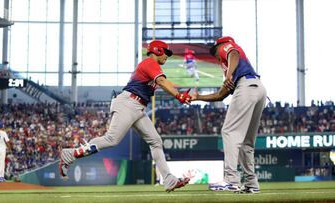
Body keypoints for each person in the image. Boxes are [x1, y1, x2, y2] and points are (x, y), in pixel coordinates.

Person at [60, 40, 191, 192]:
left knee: (156, 141)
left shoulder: (151, 66)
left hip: (137, 107)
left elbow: (159, 83)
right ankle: (70, 154)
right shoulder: (149, 62)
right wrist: (178, 95)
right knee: (111, 139)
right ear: (158, 50)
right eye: (166, 53)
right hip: (128, 103)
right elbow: (161, 81)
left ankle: (169, 180)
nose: (167, 56)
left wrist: (179, 95)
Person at [190, 36, 267, 194]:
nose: (217, 57)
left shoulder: (227, 47)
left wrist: (229, 75)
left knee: (229, 131)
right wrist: (198, 97)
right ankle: (252, 184)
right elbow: (220, 95)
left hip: (246, 86)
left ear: (220, 46)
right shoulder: (231, 67)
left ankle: (231, 179)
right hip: (258, 89)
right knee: (246, 142)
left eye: (215, 52)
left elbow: (233, 53)